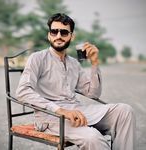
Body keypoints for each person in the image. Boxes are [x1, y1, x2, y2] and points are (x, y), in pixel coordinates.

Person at [16, 13, 136, 150]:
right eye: (54, 31)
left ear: (71, 36)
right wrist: (60, 110)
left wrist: (94, 63)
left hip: (77, 111)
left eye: (64, 32)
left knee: (125, 110)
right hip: (51, 117)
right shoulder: (37, 58)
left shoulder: (74, 63)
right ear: (49, 35)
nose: (58, 36)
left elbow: (93, 93)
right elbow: (22, 91)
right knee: (93, 138)